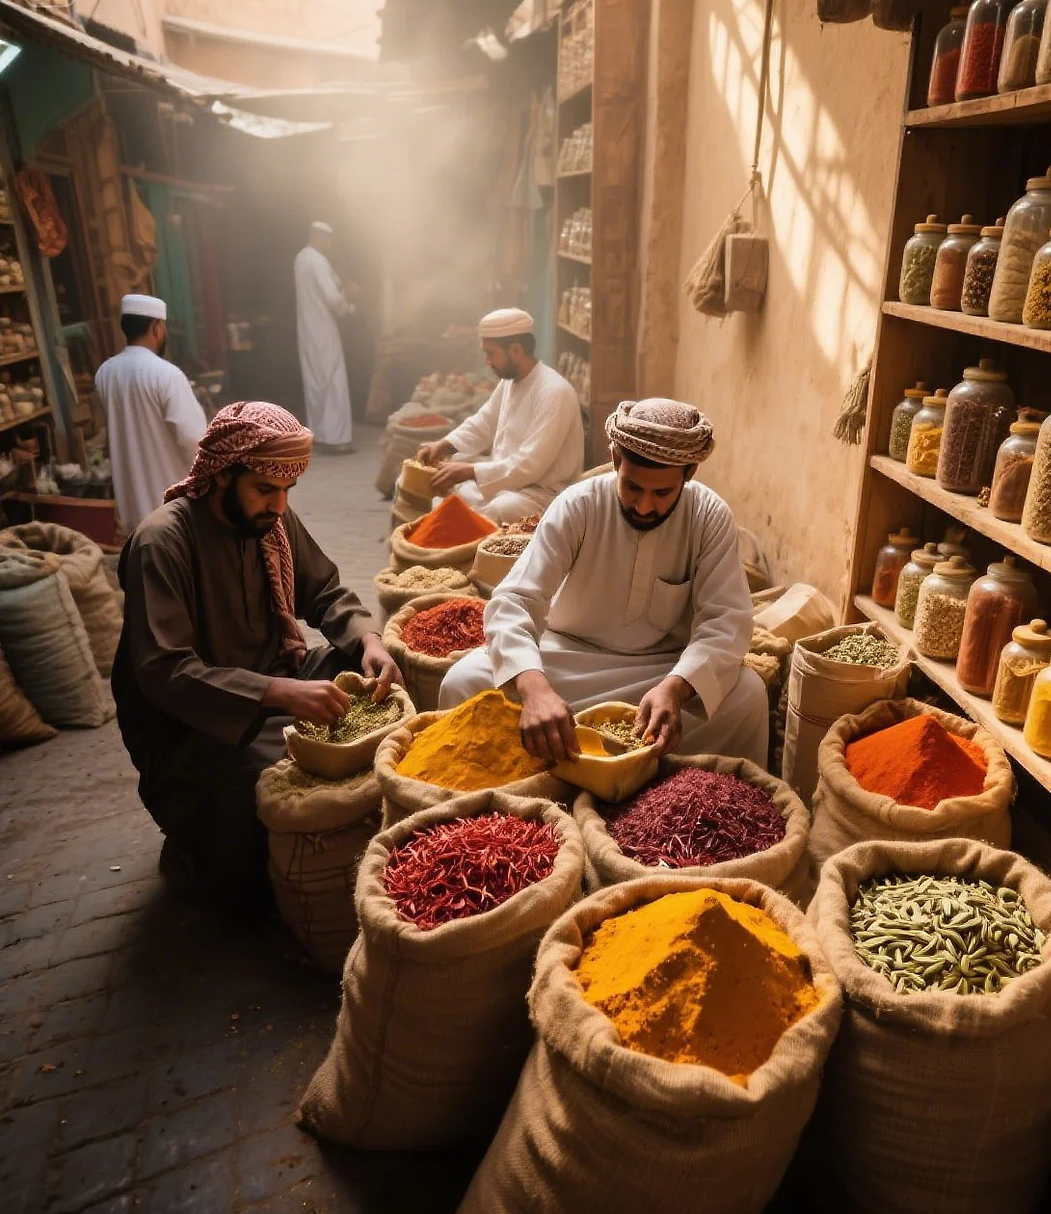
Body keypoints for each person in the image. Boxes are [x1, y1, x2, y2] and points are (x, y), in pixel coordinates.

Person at [112, 401, 401, 916]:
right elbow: (165, 671)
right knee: (252, 850)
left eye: (287, 491)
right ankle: (191, 843)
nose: (279, 505)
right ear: (222, 476)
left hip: (276, 681)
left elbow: (327, 592)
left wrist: (369, 642)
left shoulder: (270, 520)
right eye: (266, 489)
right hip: (193, 726)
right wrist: (279, 693)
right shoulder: (163, 542)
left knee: (373, 680)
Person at [439, 398, 768, 765]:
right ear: (615, 461)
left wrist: (676, 688)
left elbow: (725, 622)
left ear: (688, 474)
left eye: (662, 493)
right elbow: (515, 601)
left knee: (749, 696)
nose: (644, 506)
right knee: (463, 680)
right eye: (632, 488)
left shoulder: (709, 515)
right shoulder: (578, 504)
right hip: (567, 660)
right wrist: (535, 690)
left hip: (661, 671)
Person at [415, 308, 583, 523]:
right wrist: (446, 445)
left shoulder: (554, 391)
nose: (487, 361)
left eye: (490, 353)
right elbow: (483, 423)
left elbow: (529, 465)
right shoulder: (509, 383)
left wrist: (471, 471)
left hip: (541, 495)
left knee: (497, 510)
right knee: (450, 493)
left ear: (515, 350)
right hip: (507, 486)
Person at [95, 293, 208, 536]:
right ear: (156, 328)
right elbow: (194, 439)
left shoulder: (106, 373)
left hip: (131, 510)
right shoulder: (167, 375)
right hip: (172, 509)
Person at [294, 221, 354, 454]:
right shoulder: (318, 260)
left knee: (316, 382)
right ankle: (337, 440)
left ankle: (319, 433)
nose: (329, 243)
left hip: (308, 330)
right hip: (324, 329)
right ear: (319, 237)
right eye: (327, 239)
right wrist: (347, 303)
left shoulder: (300, 258)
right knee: (333, 382)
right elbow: (333, 297)